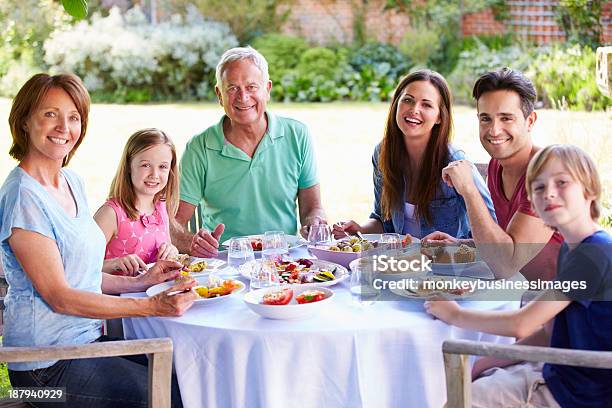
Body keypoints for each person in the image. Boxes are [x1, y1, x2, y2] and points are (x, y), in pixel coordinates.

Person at [0, 73, 198, 407]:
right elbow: (60, 296)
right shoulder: (23, 197)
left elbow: (81, 276)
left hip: (85, 346)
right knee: (177, 398)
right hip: (43, 370)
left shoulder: (71, 181)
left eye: (73, 117)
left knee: (194, 380)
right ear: (23, 121)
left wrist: (141, 282)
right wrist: (150, 305)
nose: (64, 127)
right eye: (50, 114)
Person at [425, 144, 612, 408]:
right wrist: (484, 363)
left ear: (589, 191)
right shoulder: (573, 251)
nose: (549, 193)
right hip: (559, 374)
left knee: (464, 400)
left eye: (562, 183)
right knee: (465, 388)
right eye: (538, 188)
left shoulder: (594, 255)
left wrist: (454, 314)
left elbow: (522, 324)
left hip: (582, 394)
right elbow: (548, 334)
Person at [171, 46, 327, 258]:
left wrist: (315, 222)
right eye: (232, 88)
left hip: (285, 260)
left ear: (267, 89)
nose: (243, 97)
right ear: (219, 94)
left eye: (252, 87)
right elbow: (172, 223)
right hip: (225, 265)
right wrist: (193, 243)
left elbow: (312, 208)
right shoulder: (199, 147)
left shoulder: (297, 135)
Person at [424, 68, 563, 281]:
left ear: (530, 121)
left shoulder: (548, 174)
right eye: (485, 119)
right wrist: (462, 245)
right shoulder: (496, 165)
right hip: (526, 294)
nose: (494, 130)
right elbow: (506, 244)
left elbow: (506, 265)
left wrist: (469, 189)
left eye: (506, 118)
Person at [332, 69, 496, 240]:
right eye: (408, 100)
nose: (414, 109)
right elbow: (383, 220)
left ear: (440, 116)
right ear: (396, 104)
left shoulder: (454, 162)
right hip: (401, 263)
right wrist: (359, 230)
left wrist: (455, 246)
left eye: (426, 105)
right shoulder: (383, 153)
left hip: (449, 265)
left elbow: (492, 232)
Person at [94, 128, 180, 276]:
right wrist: (113, 264)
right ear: (128, 166)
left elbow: (166, 246)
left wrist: (173, 250)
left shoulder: (161, 207)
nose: (154, 175)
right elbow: (79, 267)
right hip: (118, 297)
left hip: (156, 294)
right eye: (145, 165)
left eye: (163, 167)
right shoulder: (111, 214)